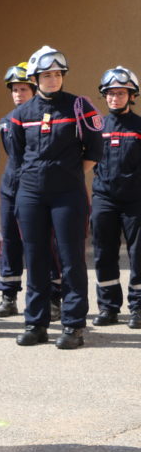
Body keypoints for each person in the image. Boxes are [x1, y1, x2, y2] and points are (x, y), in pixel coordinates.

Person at [9, 46, 102, 349]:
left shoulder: (80, 107)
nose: (52, 79)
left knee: (71, 258)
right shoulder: (21, 114)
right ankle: (35, 324)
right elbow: (18, 154)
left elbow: (95, 151)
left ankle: (73, 325)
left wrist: (70, 175)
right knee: (35, 258)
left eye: (57, 74)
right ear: (35, 78)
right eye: (46, 75)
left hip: (67, 194)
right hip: (32, 193)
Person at [0, 63, 63, 320]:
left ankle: (54, 297)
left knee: (45, 244)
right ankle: (8, 295)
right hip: (12, 187)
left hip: (38, 190)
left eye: (24, 88)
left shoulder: (47, 118)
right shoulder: (6, 122)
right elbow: (13, 156)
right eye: (14, 89)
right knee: (10, 242)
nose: (18, 94)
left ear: (34, 89)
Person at [91, 66, 141, 329]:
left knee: (139, 254)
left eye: (121, 93)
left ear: (131, 95)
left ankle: (138, 307)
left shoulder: (139, 126)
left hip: (136, 201)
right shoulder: (97, 126)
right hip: (104, 199)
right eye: (110, 93)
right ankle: (108, 307)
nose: (114, 98)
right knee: (103, 252)